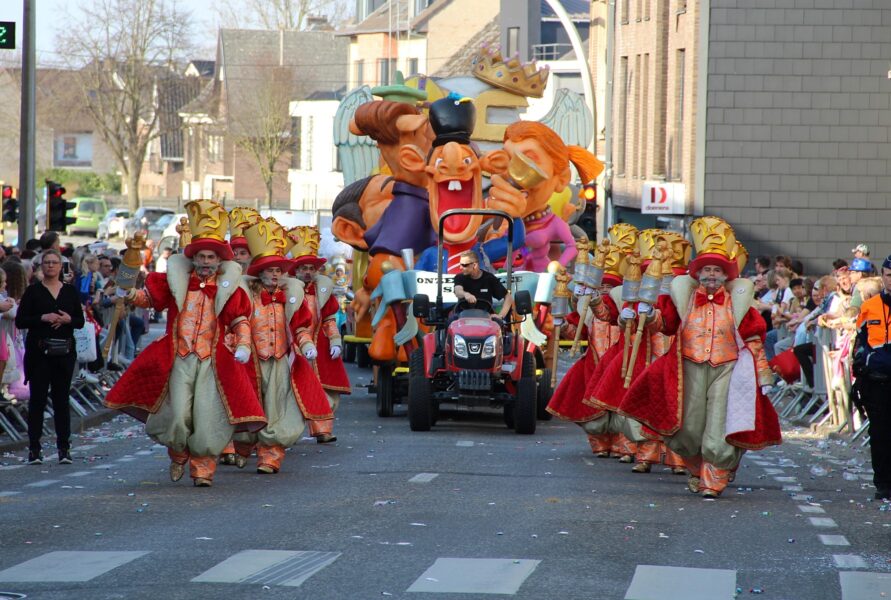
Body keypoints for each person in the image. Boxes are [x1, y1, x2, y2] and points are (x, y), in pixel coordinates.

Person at [104, 200, 266, 487]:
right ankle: (178, 451)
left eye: (211, 257)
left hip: (211, 361)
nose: (205, 262)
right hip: (180, 357)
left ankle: (203, 468)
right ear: (194, 258)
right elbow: (148, 300)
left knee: (206, 416)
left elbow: (240, 320)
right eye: (201, 256)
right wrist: (127, 294)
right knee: (178, 414)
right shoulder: (175, 281)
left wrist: (243, 346)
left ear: (219, 260)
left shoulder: (230, 288)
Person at [619, 217, 781, 498]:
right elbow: (665, 324)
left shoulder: (739, 303)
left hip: (726, 370)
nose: (711, 274)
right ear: (698, 273)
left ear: (726, 275)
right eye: (707, 269)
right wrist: (648, 314)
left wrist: (763, 374)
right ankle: (698, 469)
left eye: (717, 270)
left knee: (719, 426)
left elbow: (753, 339)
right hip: (688, 368)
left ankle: (712, 480)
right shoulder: (683, 297)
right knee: (687, 428)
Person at [230, 219, 333, 473]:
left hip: (279, 361)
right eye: (270, 270)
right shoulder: (247, 295)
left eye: (278, 270)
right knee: (248, 406)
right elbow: (237, 322)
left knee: (277, 409)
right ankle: (243, 444)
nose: (275, 274)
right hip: (252, 361)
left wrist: (307, 346)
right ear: (260, 272)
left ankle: (270, 457)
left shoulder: (290, 297)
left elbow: (300, 326)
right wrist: (241, 347)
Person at [14, 249, 85, 465]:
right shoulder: (33, 291)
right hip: (39, 353)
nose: (51, 266)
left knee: (62, 400)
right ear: (41, 266)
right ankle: (34, 449)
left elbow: (80, 321)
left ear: (61, 266)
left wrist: (67, 319)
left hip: (64, 353)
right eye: (47, 262)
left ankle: (64, 448)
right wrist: (43, 317)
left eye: (54, 262)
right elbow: (21, 320)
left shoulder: (70, 291)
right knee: (38, 400)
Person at [289, 226, 350, 443]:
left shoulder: (322, 292)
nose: (307, 272)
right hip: (290, 346)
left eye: (311, 268)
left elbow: (329, 320)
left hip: (317, 344)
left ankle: (323, 430)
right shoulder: (286, 291)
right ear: (295, 270)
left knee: (324, 390)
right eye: (303, 268)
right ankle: (284, 434)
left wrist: (335, 341)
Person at [853, 255, 891, 500]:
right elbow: (860, 341)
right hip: (878, 379)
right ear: (883, 277)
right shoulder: (870, 306)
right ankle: (883, 484)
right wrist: (859, 368)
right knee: (880, 433)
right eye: (889, 275)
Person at [452, 250, 514, 319]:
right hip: (462, 317)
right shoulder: (459, 277)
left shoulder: (489, 278)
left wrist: (500, 316)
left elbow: (508, 297)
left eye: (464, 265)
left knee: (498, 323)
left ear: (474, 265)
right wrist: (466, 294)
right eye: (460, 264)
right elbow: (458, 291)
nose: (460, 267)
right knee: (450, 321)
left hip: (486, 318)